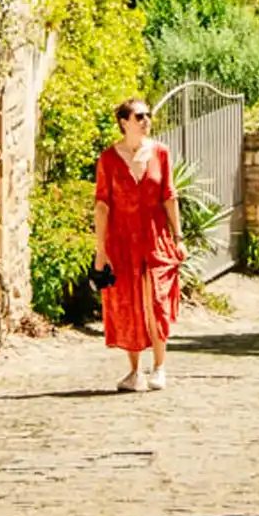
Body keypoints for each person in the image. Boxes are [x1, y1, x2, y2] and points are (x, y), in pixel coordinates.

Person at [93, 98, 186, 392]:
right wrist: (100, 249)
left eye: (148, 115)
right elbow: (102, 205)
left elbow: (169, 196)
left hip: (155, 239)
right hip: (121, 241)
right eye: (140, 115)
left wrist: (178, 237)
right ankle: (134, 372)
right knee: (128, 304)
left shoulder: (160, 153)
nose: (146, 120)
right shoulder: (108, 159)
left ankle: (159, 367)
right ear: (124, 122)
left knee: (156, 301)